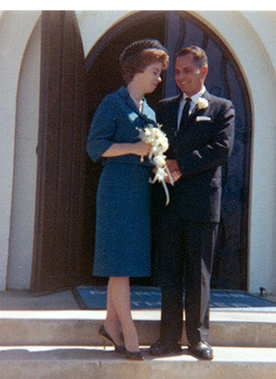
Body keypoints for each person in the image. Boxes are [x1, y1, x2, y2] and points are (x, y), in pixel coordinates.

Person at [150, 46, 235, 360]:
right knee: (169, 272)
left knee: (198, 274)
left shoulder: (221, 107)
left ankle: (198, 340)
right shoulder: (164, 107)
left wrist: (180, 166)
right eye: (177, 71)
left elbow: (221, 149)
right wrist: (162, 166)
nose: (181, 77)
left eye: (188, 70)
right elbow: (153, 144)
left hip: (201, 204)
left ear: (204, 71)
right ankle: (168, 338)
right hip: (170, 203)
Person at [86, 39, 169, 360]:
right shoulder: (112, 103)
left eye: (160, 73)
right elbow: (95, 146)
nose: (159, 78)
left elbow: (149, 156)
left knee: (124, 262)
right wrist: (133, 148)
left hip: (138, 192)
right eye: (155, 71)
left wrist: (160, 165)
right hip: (116, 190)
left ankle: (110, 324)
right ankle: (129, 332)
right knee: (119, 265)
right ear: (136, 70)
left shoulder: (148, 111)